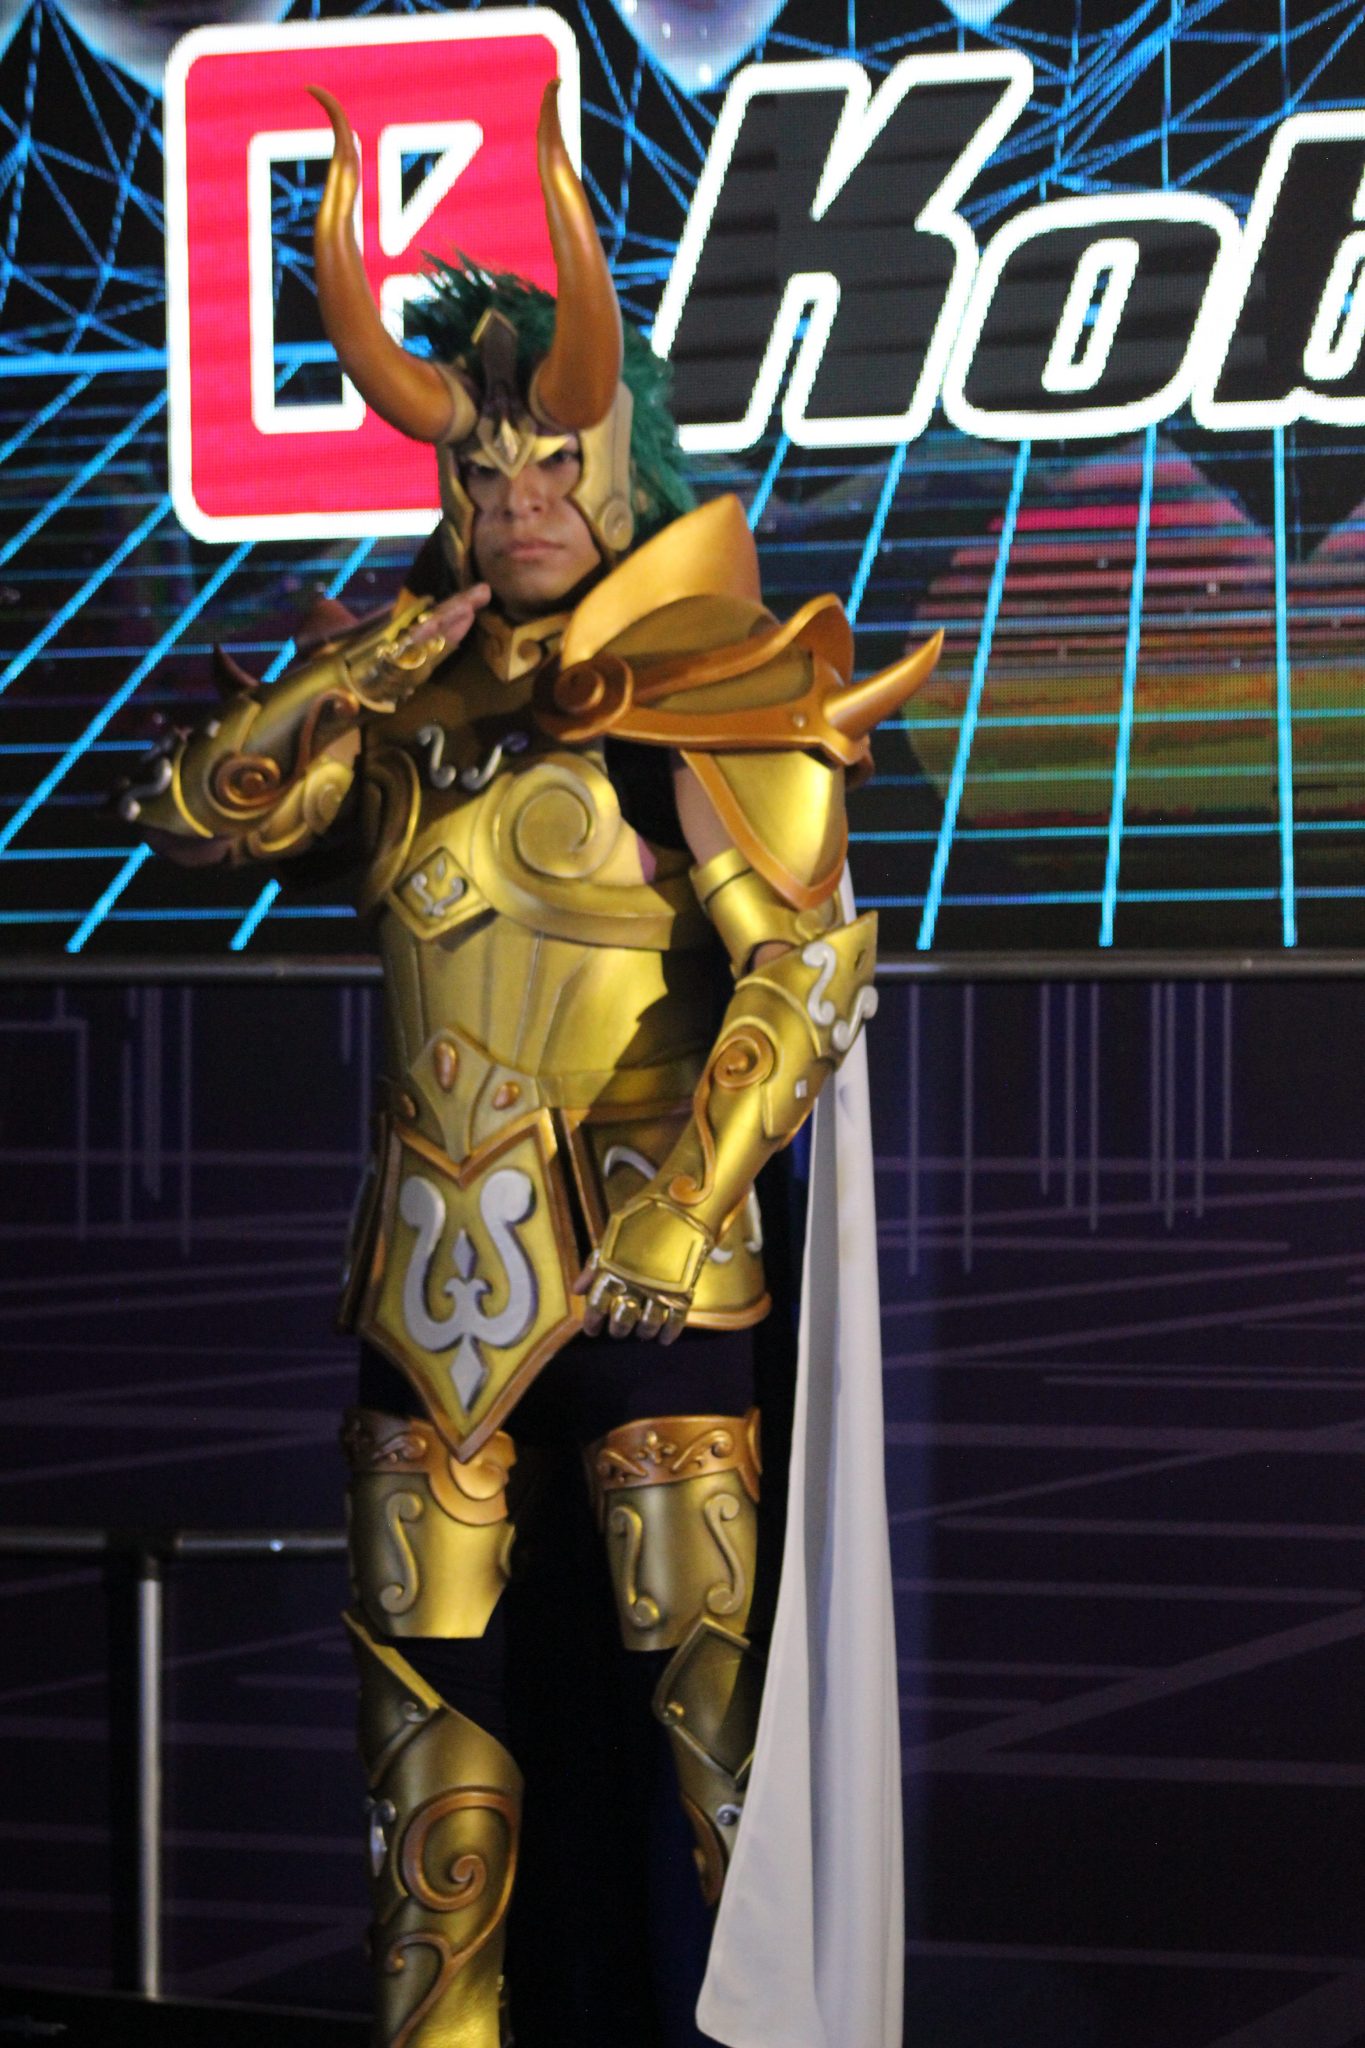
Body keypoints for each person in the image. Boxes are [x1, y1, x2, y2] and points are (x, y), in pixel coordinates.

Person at [123, 79, 939, 2048]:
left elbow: (806, 971)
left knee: (711, 1766)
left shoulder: (714, 674)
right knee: (433, 1766)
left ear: (621, 454)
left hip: (658, 1294)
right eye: (480, 462)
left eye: (550, 453)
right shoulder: (408, 707)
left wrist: (680, 1204)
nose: (515, 492)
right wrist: (360, 668)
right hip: (431, 1307)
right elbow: (192, 811)